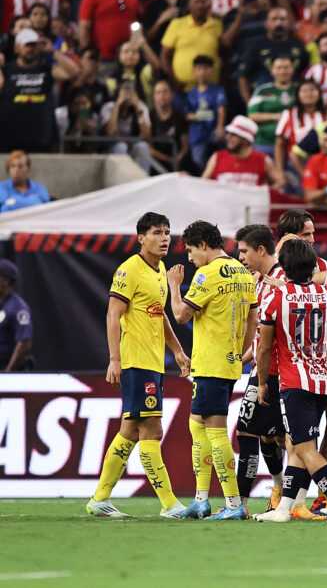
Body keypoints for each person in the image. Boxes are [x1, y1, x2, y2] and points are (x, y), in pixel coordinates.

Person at [87, 213, 190, 518]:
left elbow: (160, 316)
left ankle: (100, 499)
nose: (164, 238)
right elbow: (112, 315)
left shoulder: (159, 270)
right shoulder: (129, 270)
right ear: (141, 238)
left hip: (153, 362)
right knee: (152, 430)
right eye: (157, 232)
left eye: (168, 232)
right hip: (136, 362)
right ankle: (170, 505)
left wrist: (179, 351)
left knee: (130, 430)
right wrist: (115, 358)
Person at [252, 239, 327, 524]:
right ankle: (284, 509)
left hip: (294, 382)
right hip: (322, 380)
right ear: (313, 266)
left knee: (306, 449)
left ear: (283, 267)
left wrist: (262, 382)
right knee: (297, 448)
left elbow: (263, 347)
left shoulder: (276, 298)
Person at [168, 220, 257, 520]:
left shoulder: (206, 275)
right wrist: (240, 354)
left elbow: (180, 316)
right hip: (228, 362)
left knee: (215, 431)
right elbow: (253, 321)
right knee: (197, 425)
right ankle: (201, 500)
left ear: (204, 245)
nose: (190, 259)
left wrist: (173, 287)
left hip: (210, 364)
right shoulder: (244, 273)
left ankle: (233, 505)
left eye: (192, 251)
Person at [232, 224, 287, 517]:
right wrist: (241, 360)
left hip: (276, 371)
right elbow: (258, 337)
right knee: (272, 437)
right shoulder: (261, 282)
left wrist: (260, 373)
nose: (240, 257)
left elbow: (272, 336)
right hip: (262, 367)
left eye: (244, 251)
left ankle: (239, 505)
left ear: (261, 250)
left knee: (248, 432)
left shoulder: (282, 281)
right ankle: (279, 491)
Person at [0, 28, 79, 152]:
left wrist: (53, 51)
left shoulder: (46, 69)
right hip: (10, 135)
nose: (30, 49)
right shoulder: (5, 70)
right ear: (16, 48)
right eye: (26, 45)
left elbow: (74, 72)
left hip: (42, 136)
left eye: (33, 45)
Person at [79, 0, 141, 71]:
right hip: (102, 59)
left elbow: (137, 25)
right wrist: (86, 52)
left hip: (128, 59)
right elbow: (84, 26)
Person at [202, 115, 284, 188]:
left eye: (234, 134)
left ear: (246, 140)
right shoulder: (217, 157)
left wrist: (265, 191)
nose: (228, 137)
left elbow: (281, 182)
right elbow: (201, 184)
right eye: (228, 133)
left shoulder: (263, 160)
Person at [247, 55, 296, 158]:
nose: (283, 71)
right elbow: (252, 115)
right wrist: (277, 116)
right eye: (279, 68)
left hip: (293, 144)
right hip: (264, 142)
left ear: (292, 70)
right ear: (272, 71)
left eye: (286, 67)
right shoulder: (262, 90)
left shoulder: (300, 90)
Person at [182, 55, 225, 168]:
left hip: (213, 132)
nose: (202, 72)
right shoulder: (191, 93)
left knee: (220, 159)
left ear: (212, 71)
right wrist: (192, 117)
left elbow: (221, 108)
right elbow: (188, 114)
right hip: (197, 135)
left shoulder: (218, 90)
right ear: (194, 72)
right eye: (199, 68)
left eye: (206, 68)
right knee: (198, 163)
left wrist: (220, 127)